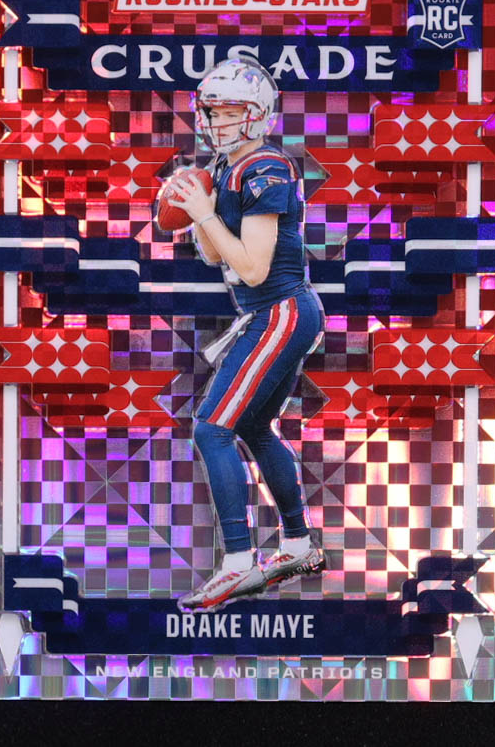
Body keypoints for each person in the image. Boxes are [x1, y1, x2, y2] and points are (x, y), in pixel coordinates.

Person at [168, 57, 325, 612]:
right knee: (254, 427)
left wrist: (206, 214)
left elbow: (254, 269)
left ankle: (238, 562)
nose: (219, 121)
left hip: (280, 310)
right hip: (273, 313)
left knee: (212, 429)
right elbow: (217, 257)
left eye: (231, 111)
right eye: (212, 111)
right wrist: (198, 212)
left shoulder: (266, 167)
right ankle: (298, 546)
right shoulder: (226, 166)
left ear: (258, 115)